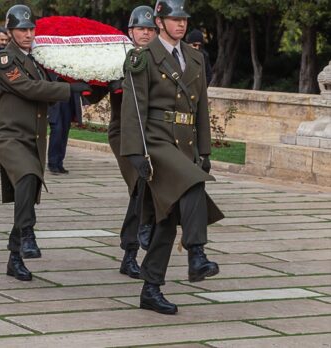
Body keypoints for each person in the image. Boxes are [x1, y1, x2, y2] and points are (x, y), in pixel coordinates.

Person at [121, 0, 224, 315]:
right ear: (160, 21)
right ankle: (196, 255)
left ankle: (150, 290)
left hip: (184, 145)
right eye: (174, 19)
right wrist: (136, 152)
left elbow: (201, 107)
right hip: (156, 140)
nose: (181, 24)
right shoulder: (143, 57)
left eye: (184, 19)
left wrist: (203, 151)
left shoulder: (194, 57)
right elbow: (134, 107)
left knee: (164, 220)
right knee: (194, 184)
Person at [0, 5, 88, 281]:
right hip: (10, 135)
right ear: (10, 31)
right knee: (27, 176)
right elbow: (27, 88)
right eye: (22, 29)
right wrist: (68, 89)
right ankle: (27, 233)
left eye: (31, 29)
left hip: (33, 138)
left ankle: (15, 257)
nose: (28, 34)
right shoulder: (4, 59)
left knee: (29, 189)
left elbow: (47, 81)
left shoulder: (37, 60)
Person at [107, 5, 158, 281]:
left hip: (152, 134)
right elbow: (93, 90)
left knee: (147, 190)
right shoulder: (118, 57)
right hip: (125, 134)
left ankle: (134, 250)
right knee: (140, 186)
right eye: (141, 28)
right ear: (131, 31)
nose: (146, 33)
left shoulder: (161, 58)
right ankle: (131, 251)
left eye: (150, 29)